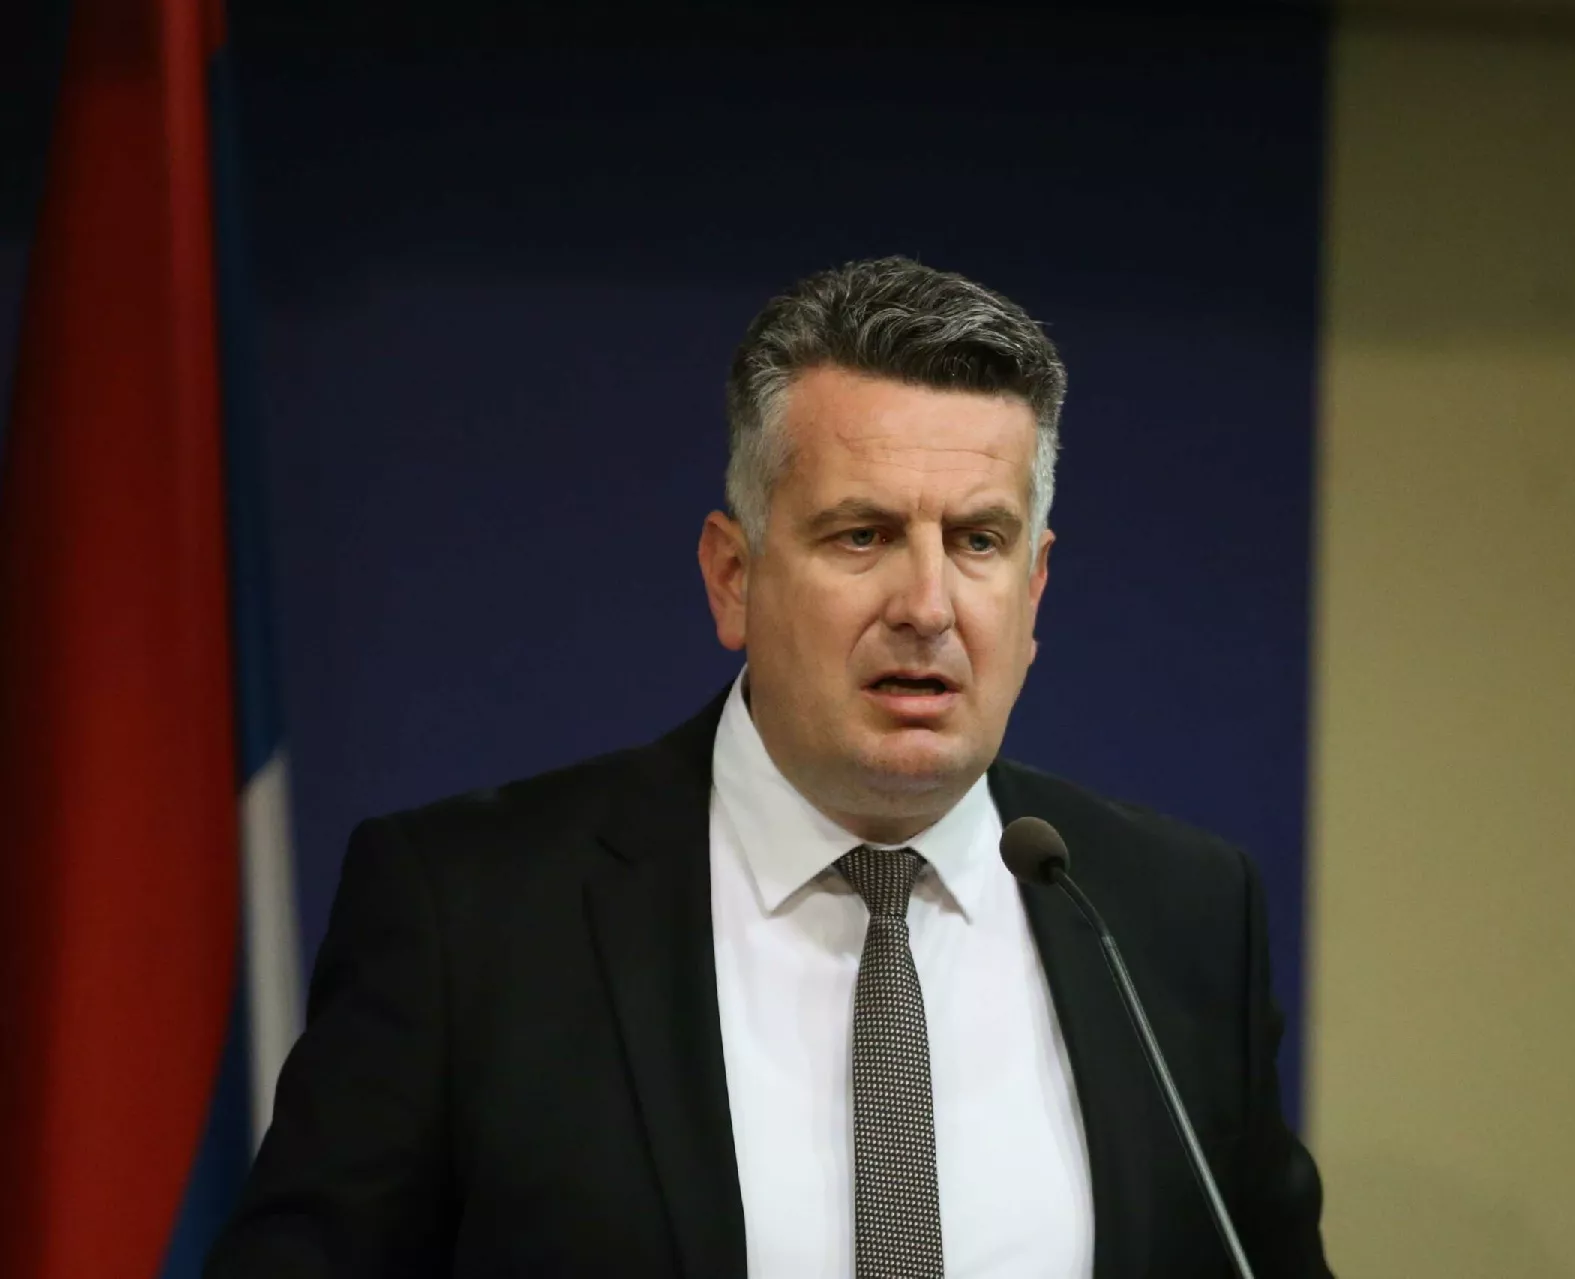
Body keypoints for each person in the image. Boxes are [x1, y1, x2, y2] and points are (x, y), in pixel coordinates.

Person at [208, 257, 1333, 1278]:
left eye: (977, 541)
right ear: (733, 577)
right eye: (863, 535)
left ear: (1033, 590)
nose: (928, 605)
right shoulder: (469, 913)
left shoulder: (1174, 917)